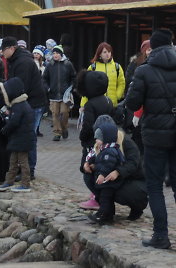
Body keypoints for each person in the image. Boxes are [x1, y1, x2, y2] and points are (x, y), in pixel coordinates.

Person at [126, 29, 176, 249]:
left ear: (152, 48)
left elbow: (132, 104)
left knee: (155, 186)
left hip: (155, 136)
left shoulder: (144, 71)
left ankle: (161, 236)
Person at [81, 115, 148, 224]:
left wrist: (118, 172)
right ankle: (106, 210)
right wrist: (86, 165)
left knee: (121, 192)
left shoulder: (125, 142)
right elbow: (88, 156)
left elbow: (133, 163)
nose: (97, 139)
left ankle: (137, 207)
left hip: (131, 179)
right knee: (90, 177)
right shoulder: (98, 143)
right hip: (108, 177)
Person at [1, 36, 47, 180]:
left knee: (29, 136)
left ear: (11, 48)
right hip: (26, 103)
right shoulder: (15, 60)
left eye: (3, 50)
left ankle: (29, 171)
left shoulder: (23, 62)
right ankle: (23, 169)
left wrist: (13, 105)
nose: (2, 53)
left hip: (33, 103)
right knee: (25, 135)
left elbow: (21, 86)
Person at [77, 71, 114, 210]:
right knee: (102, 168)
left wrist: (82, 137)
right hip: (107, 142)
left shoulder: (90, 105)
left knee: (87, 169)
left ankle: (96, 196)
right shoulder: (108, 100)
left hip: (92, 143)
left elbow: (88, 126)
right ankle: (99, 196)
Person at [0, 78, 36, 192]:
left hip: (21, 139)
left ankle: (25, 184)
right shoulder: (20, 105)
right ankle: (9, 181)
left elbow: (14, 122)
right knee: (13, 162)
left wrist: (5, 127)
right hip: (19, 139)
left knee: (23, 162)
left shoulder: (19, 106)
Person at [85, 122, 125, 225]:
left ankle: (101, 214)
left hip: (108, 181)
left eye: (98, 138)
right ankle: (109, 216)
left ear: (106, 138)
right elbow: (99, 160)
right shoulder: (106, 149)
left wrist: (102, 174)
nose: (96, 141)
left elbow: (108, 164)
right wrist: (91, 163)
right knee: (108, 199)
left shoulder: (109, 151)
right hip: (107, 181)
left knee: (104, 198)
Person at [42, 45, 76, 141]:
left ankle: (64, 129)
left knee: (64, 113)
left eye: (57, 53)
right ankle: (57, 133)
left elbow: (74, 77)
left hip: (65, 95)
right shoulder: (50, 65)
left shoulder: (68, 64)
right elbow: (44, 79)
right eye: (53, 53)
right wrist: (48, 88)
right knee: (55, 114)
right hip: (53, 94)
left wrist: (71, 87)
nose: (55, 55)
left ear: (61, 54)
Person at [80, 42, 125, 108]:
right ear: (99, 54)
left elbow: (121, 83)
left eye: (109, 52)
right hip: (96, 104)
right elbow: (86, 87)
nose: (108, 54)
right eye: (105, 52)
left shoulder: (117, 67)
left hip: (112, 104)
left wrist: (117, 96)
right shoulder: (93, 67)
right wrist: (83, 104)